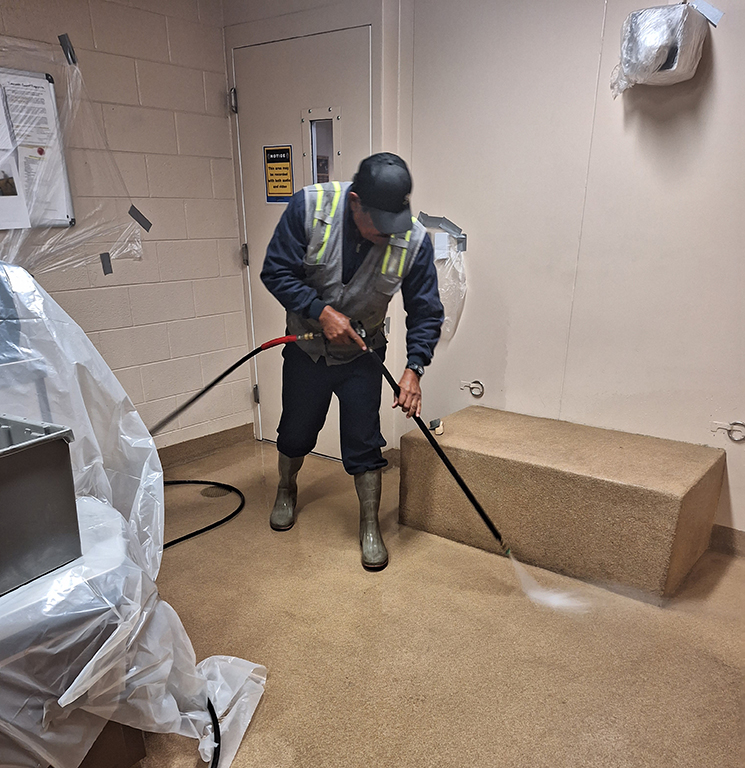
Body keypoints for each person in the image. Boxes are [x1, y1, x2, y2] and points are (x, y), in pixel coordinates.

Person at [260, 152, 444, 571]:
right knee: (294, 432)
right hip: (307, 350)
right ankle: (286, 488)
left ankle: (368, 526)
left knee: (364, 443)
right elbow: (276, 271)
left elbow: (426, 310)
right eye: (379, 226)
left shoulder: (412, 241)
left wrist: (414, 368)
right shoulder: (309, 207)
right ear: (356, 202)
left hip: (363, 355)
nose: (386, 236)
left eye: (393, 225)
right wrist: (320, 312)